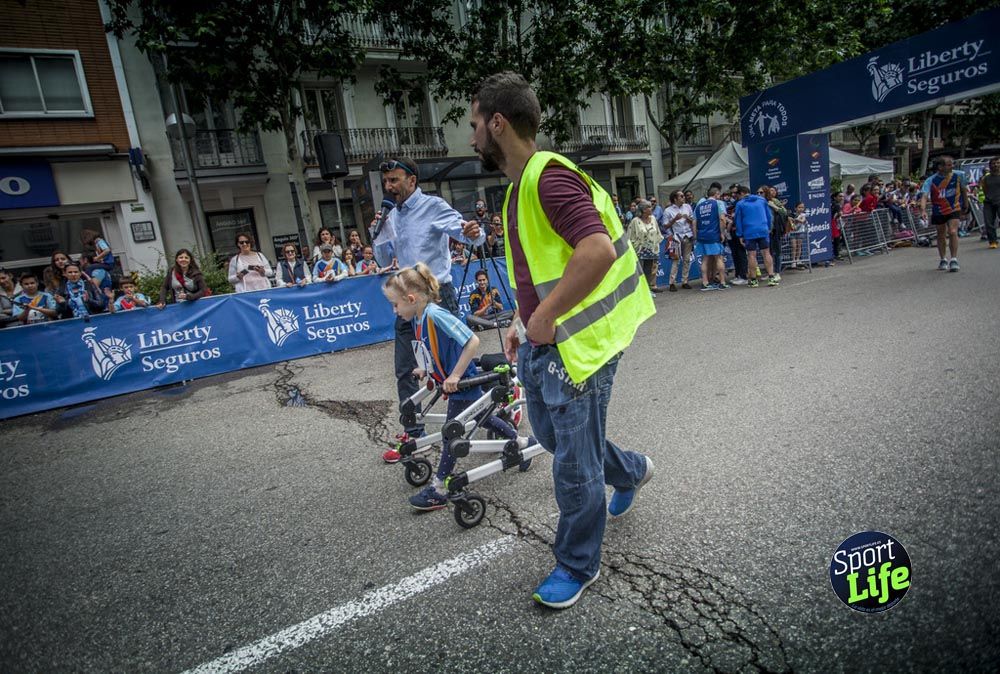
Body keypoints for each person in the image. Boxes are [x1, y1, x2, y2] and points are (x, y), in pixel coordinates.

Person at [470, 72, 654, 609]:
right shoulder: (519, 187)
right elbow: (536, 268)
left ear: (497, 123)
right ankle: (633, 470)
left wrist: (545, 317)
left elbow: (595, 250)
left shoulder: (547, 179)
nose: (472, 136)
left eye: (475, 123)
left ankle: (577, 564)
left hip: (578, 344)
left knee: (573, 461)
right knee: (556, 438)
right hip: (544, 339)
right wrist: (520, 320)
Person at [382, 264, 527, 510]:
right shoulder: (418, 319)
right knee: (483, 417)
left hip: (462, 382)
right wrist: (426, 370)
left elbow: (472, 341)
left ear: (411, 298)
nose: (394, 310)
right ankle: (522, 442)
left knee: (453, 432)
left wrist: (456, 375)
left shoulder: (436, 315)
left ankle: (438, 488)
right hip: (453, 384)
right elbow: (433, 349)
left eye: (396, 304)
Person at [370, 155, 485, 454]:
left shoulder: (432, 206)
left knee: (456, 365)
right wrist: (380, 233)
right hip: (406, 301)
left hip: (437, 297)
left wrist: (474, 232)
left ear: (411, 180)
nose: (389, 186)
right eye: (385, 181)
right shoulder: (391, 216)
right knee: (406, 368)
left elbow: (469, 235)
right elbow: (383, 261)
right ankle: (413, 433)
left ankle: (482, 414)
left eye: (394, 180)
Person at [920, 155, 969, 272]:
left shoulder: (959, 175)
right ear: (940, 167)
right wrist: (922, 210)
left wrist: (966, 205)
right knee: (941, 234)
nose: (952, 166)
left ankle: (954, 259)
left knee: (952, 232)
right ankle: (943, 259)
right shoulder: (930, 180)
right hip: (939, 210)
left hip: (954, 208)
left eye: (952, 164)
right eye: (948, 164)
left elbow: (963, 190)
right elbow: (924, 196)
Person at [734, 185, 776, 287]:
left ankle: (753, 280)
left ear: (741, 194)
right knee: (766, 253)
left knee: (751, 255)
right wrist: (769, 228)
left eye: (737, 195)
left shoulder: (740, 204)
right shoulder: (762, 200)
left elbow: (738, 221)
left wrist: (740, 235)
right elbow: (769, 216)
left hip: (749, 232)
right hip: (763, 230)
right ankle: (771, 277)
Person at [693, 186, 728, 291]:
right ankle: (722, 282)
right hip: (714, 235)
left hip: (702, 236)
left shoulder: (699, 206)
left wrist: (696, 236)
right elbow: (722, 219)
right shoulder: (718, 203)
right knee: (718, 258)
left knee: (705, 259)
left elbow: (694, 222)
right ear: (716, 194)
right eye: (719, 195)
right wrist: (722, 233)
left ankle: (705, 282)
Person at [626, 199, 663, 295]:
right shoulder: (635, 221)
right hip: (640, 249)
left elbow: (657, 232)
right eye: (649, 207)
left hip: (651, 249)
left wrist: (656, 244)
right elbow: (630, 235)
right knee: (639, 271)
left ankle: (646, 290)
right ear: (643, 210)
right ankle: (637, 291)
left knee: (648, 270)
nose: (651, 209)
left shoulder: (653, 218)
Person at [662, 190, 694, 291]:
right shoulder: (668, 211)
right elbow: (665, 226)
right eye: (681, 196)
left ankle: (685, 281)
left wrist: (688, 218)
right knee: (675, 260)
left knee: (687, 259)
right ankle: (672, 283)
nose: (684, 197)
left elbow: (693, 221)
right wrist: (674, 219)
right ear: (675, 199)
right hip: (676, 237)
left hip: (688, 235)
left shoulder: (688, 207)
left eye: (683, 196)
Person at [764, 186, 788, 280]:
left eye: (773, 190)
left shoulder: (775, 201)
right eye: (769, 191)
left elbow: (784, 212)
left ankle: (777, 272)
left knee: (777, 252)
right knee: (768, 252)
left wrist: (774, 206)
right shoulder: (762, 202)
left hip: (775, 230)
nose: (771, 192)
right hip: (766, 231)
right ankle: (770, 272)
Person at [980, 157, 1000, 249]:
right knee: (989, 223)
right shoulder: (985, 178)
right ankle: (993, 241)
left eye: (997, 163)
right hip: (989, 202)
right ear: (990, 165)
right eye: (993, 163)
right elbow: (985, 189)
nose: (996, 165)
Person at [789, 202, 807, 269]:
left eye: (802, 207)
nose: (801, 209)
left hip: (800, 232)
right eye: (799, 207)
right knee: (794, 246)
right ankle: (793, 261)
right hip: (792, 232)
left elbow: (802, 221)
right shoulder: (792, 214)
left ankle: (798, 260)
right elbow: (790, 220)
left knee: (799, 246)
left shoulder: (804, 214)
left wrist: (796, 219)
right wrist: (794, 219)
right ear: (795, 208)